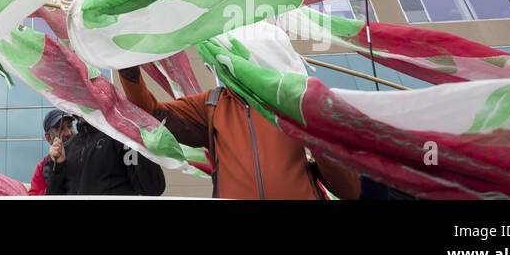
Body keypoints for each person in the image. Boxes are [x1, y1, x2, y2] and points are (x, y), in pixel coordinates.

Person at [118, 64, 358, 200]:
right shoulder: (213, 104)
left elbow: (349, 191)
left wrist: (319, 136)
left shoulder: (299, 104)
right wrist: (128, 68)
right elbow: (153, 116)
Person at [42, 115, 166, 197]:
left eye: (69, 126)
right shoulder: (67, 150)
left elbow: (153, 188)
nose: (68, 132)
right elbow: (54, 196)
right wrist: (58, 166)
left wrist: (137, 140)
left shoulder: (119, 136)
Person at [29, 110, 74, 195]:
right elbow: (33, 196)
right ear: (48, 137)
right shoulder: (43, 166)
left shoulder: (85, 155)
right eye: (60, 128)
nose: (68, 133)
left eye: (70, 126)